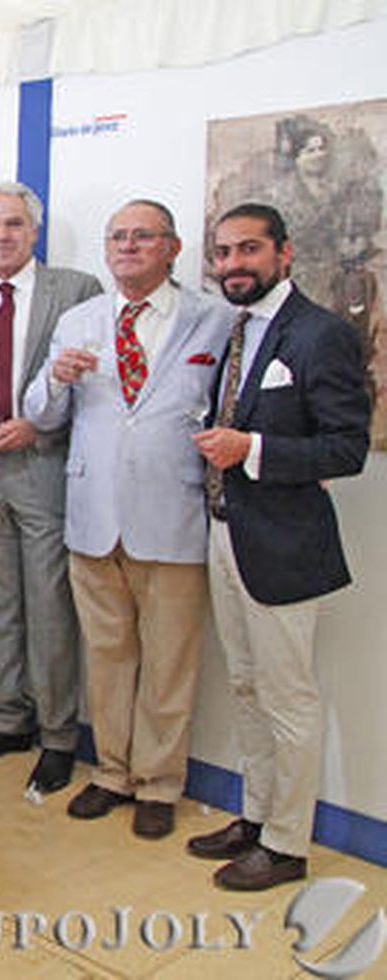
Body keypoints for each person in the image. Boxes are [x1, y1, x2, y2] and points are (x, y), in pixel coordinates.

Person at [23, 199, 234, 840]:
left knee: (171, 660)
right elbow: (41, 414)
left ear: (172, 247)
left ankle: (161, 782)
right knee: (108, 656)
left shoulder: (215, 320)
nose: (128, 247)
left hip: (172, 516)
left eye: (143, 237)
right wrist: (55, 379)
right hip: (93, 518)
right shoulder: (81, 319)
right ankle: (112, 772)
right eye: (117, 237)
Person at [186, 203, 370, 890]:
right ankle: (257, 819)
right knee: (244, 686)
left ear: (283, 254)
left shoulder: (319, 334)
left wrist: (251, 449)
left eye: (249, 251)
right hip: (225, 533)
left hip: (286, 547)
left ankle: (288, 846)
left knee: (289, 698)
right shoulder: (236, 331)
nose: (234, 264)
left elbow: (348, 448)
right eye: (225, 252)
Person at [0, 182, 103, 795]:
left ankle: (59, 736)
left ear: (33, 232)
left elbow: (92, 381)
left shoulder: (76, 290)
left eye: (12, 225)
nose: (1, 236)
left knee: (51, 611)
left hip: (43, 469)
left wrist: (34, 426)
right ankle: (8, 716)